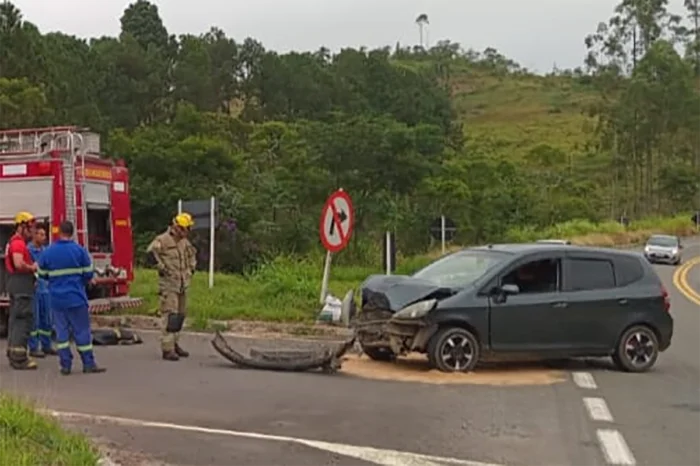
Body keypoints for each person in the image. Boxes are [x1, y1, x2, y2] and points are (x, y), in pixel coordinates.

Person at [37, 221, 106, 375]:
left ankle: (65, 365)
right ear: (72, 233)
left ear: (59, 232)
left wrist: (54, 282)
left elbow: (41, 274)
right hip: (76, 297)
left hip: (56, 299)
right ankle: (88, 364)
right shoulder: (80, 251)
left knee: (61, 333)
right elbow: (88, 274)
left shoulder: (48, 252)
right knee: (81, 331)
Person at [146, 212, 197, 361]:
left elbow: (191, 255)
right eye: (186, 228)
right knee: (170, 316)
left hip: (182, 284)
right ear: (178, 228)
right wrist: (162, 268)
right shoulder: (162, 240)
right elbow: (150, 255)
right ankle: (167, 349)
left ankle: (175, 344)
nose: (188, 232)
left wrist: (191, 269)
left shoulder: (184, 242)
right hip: (169, 285)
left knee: (180, 316)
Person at [4, 211, 39, 370]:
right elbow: (18, 264)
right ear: (21, 227)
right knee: (22, 320)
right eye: (30, 228)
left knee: (15, 319)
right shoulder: (18, 243)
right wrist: (32, 267)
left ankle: (13, 353)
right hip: (21, 285)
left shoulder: (15, 242)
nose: (32, 232)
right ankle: (19, 358)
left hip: (16, 284)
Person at [27, 224, 56, 358]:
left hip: (46, 288)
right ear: (34, 235)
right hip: (35, 288)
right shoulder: (29, 250)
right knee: (35, 319)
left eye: (45, 235)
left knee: (47, 319)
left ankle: (46, 345)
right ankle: (33, 347)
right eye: (41, 234)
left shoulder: (46, 251)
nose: (44, 237)